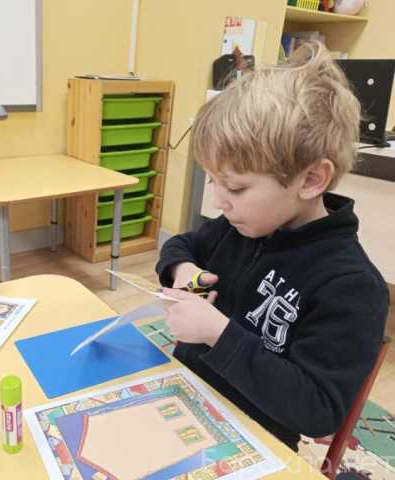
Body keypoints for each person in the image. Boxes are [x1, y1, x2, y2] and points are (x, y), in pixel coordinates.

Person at [156, 41, 389, 451]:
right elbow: (181, 245)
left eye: (235, 187)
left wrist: (217, 333)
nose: (218, 201)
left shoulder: (351, 287)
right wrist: (183, 270)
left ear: (311, 180)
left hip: (256, 445)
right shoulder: (239, 227)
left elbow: (318, 411)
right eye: (213, 181)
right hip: (187, 400)